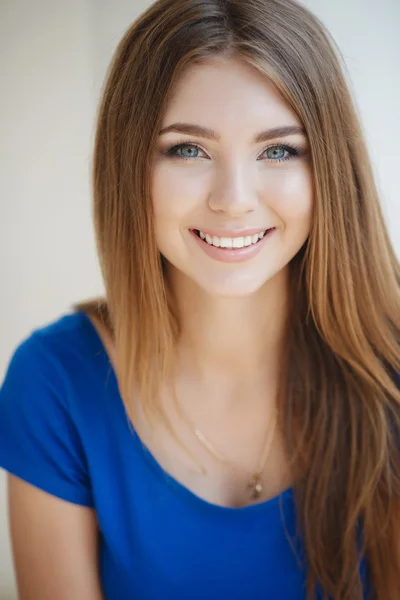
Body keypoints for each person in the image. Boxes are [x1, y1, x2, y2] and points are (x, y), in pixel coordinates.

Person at [0, 0, 399, 598]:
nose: (234, 199)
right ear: (130, 165)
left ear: (330, 173)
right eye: (188, 149)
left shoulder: (388, 372)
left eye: (278, 150)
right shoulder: (55, 383)